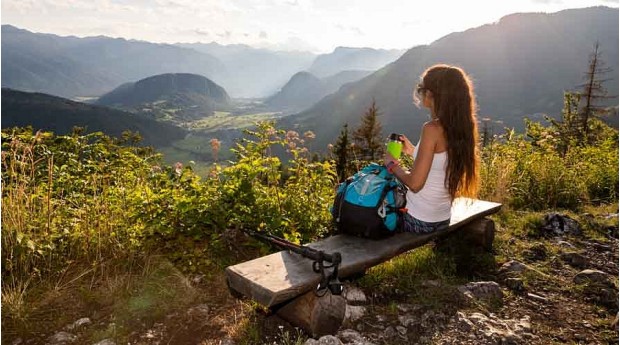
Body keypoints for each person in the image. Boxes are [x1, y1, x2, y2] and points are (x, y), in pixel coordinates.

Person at [384, 64, 480, 234]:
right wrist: (414, 151)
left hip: (418, 221)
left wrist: (392, 164)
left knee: (374, 194)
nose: (421, 93)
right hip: (442, 218)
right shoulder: (462, 126)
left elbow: (415, 184)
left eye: (422, 89)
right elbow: (441, 163)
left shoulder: (432, 128)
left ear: (431, 94)